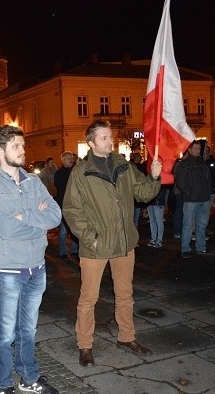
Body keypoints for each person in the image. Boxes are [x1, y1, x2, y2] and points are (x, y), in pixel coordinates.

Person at [63, 121, 161, 368]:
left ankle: (127, 337)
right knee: (89, 298)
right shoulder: (81, 171)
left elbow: (143, 194)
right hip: (96, 245)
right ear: (92, 142)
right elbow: (72, 209)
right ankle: (85, 345)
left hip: (124, 242)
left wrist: (154, 176)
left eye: (110, 137)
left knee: (125, 294)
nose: (111, 141)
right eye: (105, 137)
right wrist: (90, 237)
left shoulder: (123, 165)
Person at [0, 125, 61, 394]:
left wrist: (22, 215)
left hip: (36, 266)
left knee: (28, 329)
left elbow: (55, 216)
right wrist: (35, 217)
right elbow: (6, 228)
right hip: (7, 269)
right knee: (5, 333)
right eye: (16, 146)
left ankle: (29, 378)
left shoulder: (33, 182)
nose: (23, 150)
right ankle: (4, 384)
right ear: (0, 151)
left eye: (23, 146)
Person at [174, 140, 213, 258]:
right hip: (191, 199)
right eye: (195, 149)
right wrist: (189, 194)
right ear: (189, 150)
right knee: (188, 225)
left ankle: (201, 247)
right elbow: (180, 182)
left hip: (204, 198)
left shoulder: (202, 163)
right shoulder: (183, 164)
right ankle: (185, 248)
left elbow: (208, 179)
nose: (198, 151)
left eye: (199, 149)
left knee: (201, 224)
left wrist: (208, 193)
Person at [54, 151, 78, 260]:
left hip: (74, 204)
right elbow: (60, 187)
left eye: (72, 158)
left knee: (74, 229)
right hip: (63, 204)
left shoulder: (74, 171)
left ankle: (74, 250)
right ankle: (63, 251)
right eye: (69, 158)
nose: (71, 160)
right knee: (63, 230)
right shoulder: (59, 173)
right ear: (63, 160)